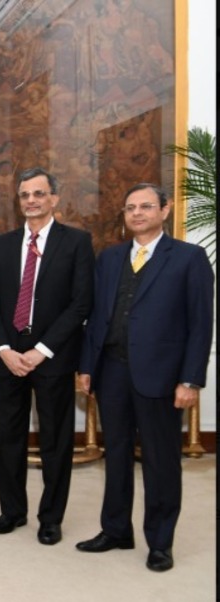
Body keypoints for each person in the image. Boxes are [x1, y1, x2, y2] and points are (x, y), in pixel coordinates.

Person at [75, 184, 213, 572]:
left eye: (146, 206)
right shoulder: (111, 257)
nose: (137, 213)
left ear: (165, 210)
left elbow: (201, 325)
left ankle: (160, 542)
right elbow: (97, 317)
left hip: (163, 378)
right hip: (112, 372)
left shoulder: (189, 258)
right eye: (130, 207)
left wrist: (190, 380)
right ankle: (116, 530)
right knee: (115, 454)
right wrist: (88, 366)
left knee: (161, 461)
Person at [0, 167, 94, 545]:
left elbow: (81, 304)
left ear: (54, 199)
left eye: (39, 194)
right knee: (9, 438)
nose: (31, 200)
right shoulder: (2, 244)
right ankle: (12, 511)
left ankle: (51, 518)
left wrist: (41, 351)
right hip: (9, 357)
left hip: (53, 357)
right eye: (25, 195)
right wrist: (4, 349)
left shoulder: (76, 242)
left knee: (55, 441)